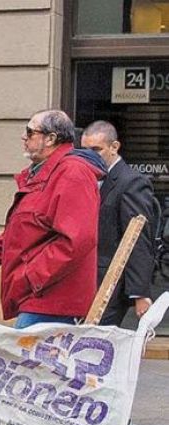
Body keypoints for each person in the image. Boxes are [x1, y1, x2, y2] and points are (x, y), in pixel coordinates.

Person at [0, 109, 105, 329]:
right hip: (40, 297)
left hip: (53, 301)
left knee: (22, 359)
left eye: (30, 132)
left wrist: (30, 277)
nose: (24, 138)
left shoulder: (72, 173)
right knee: (24, 359)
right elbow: (18, 234)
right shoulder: (43, 173)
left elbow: (77, 240)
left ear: (50, 138)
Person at [80, 120, 158, 326]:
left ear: (114, 147)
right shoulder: (87, 178)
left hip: (111, 282)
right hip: (86, 278)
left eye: (96, 150)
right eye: (85, 150)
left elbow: (137, 236)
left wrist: (140, 292)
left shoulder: (131, 182)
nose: (90, 156)